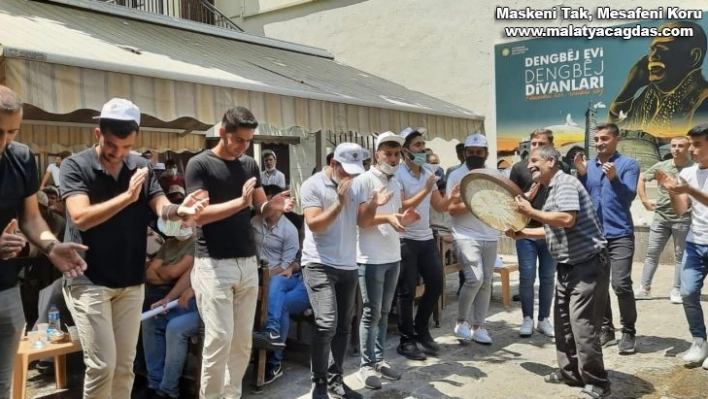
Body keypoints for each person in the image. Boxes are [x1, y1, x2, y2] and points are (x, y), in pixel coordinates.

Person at [60, 98, 208, 399]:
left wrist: (180, 211)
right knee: (103, 365)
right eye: (112, 145)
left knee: (125, 367)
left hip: (130, 280)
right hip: (87, 279)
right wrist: (128, 197)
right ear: (97, 133)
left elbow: (161, 205)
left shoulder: (141, 166)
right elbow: (81, 218)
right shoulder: (75, 165)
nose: (118, 154)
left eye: (126, 147)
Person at [185, 106, 294, 399]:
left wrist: (276, 206)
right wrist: (240, 202)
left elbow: (260, 207)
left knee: (242, 342)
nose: (245, 146)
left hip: (248, 261)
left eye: (249, 141)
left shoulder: (249, 165)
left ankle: (232, 396)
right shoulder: (200, 164)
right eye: (239, 140)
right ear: (223, 133)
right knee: (219, 339)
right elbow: (200, 215)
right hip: (213, 263)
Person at [0, 86, 87, 399]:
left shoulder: (21, 157)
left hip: (6, 287)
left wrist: (52, 246)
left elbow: (31, 217)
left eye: (12, 131)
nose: (4, 141)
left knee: (4, 382)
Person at [507, 146, 611, 399]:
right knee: (563, 323)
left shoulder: (564, 183)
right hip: (568, 264)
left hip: (587, 265)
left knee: (582, 326)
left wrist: (530, 213)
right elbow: (554, 228)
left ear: (551, 161)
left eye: (534, 161)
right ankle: (570, 373)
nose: (529, 165)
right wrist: (523, 233)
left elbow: (567, 219)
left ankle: (598, 383)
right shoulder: (550, 188)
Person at [301, 142, 392, 399]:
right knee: (325, 323)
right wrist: (339, 203)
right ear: (333, 163)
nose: (351, 176)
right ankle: (318, 383)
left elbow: (363, 222)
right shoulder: (312, 185)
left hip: (348, 265)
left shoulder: (358, 184)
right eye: (346, 170)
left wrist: (374, 204)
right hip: (318, 263)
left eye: (355, 171)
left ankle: (335, 380)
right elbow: (315, 224)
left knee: (343, 327)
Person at [355, 132, 419, 390]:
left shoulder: (395, 182)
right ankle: (365, 365)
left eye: (396, 154)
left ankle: (379, 360)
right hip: (370, 258)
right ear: (376, 154)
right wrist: (388, 216)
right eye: (387, 154)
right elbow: (362, 221)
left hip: (393, 255)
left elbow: (394, 218)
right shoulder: (364, 181)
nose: (392, 159)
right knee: (371, 313)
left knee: (383, 312)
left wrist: (405, 219)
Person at [574, 122, 640, 354]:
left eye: (605, 138)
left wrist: (614, 178)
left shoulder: (629, 164)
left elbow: (629, 196)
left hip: (620, 233)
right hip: (595, 235)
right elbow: (582, 196)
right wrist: (582, 175)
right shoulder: (589, 166)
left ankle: (629, 331)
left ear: (616, 139)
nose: (600, 143)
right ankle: (606, 329)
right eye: (597, 139)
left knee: (620, 284)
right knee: (598, 287)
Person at [395, 127, 457, 360]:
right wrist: (426, 186)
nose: (423, 149)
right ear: (405, 151)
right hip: (405, 239)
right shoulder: (398, 175)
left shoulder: (428, 172)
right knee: (407, 291)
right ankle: (406, 340)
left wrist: (453, 196)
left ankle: (422, 330)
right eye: (418, 146)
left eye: (423, 145)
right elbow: (403, 206)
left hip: (425, 236)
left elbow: (439, 206)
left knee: (436, 283)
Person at [655, 124, 708, 368]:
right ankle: (699, 341)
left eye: (697, 144)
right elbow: (682, 209)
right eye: (691, 143)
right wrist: (674, 192)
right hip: (694, 243)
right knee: (687, 293)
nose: (692, 149)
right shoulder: (687, 174)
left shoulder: (689, 180)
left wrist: (687, 189)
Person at [508, 128, 567, 338]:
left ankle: (544, 319)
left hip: (550, 232)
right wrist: (525, 196)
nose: (535, 148)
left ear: (550, 146)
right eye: (533, 143)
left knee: (548, 278)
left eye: (541, 144)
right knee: (526, 276)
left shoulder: (560, 168)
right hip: (526, 232)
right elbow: (509, 201)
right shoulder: (518, 168)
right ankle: (527, 319)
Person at [251, 184, 308, 384]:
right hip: (255, 276)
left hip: (283, 277)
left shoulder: (290, 230)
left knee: (276, 283)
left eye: (270, 199)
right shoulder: (254, 222)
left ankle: (272, 353)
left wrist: (261, 276)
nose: (265, 204)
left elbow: (286, 267)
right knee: (279, 303)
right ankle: (271, 347)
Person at [609, 21, 708, 136]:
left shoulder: (703, 100)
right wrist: (629, 90)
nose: (652, 57)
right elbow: (616, 136)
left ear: (693, 58)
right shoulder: (648, 97)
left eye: (661, 49)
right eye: (653, 50)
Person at [447, 133, 499, 345]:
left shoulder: (493, 174)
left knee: (486, 282)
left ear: (486, 153)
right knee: (474, 279)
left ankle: (478, 326)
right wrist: (475, 203)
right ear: (464, 153)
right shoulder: (456, 175)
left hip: (490, 234)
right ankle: (461, 322)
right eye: (471, 152)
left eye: (479, 152)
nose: (475, 156)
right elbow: (451, 209)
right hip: (465, 235)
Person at [142, 223, 198, 399]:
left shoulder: (200, 244)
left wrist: (163, 270)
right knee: (150, 319)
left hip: (207, 306)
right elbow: (186, 276)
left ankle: (168, 390)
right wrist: (168, 300)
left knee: (175, 327)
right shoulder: (169, 244)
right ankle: (154, 382)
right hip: (182, 300)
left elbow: (175, 273)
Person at [636, 136, 693, 303]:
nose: (676, 149)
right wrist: (645, 201)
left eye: (680, 146)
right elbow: (642, 178)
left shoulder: (694, 169)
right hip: (661, 218)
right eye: (673, 146)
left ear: (688, 148)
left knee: (680, 256)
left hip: (683, 220)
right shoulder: (662, 166)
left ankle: (677, 290)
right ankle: (644, 288)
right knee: (652, 254)